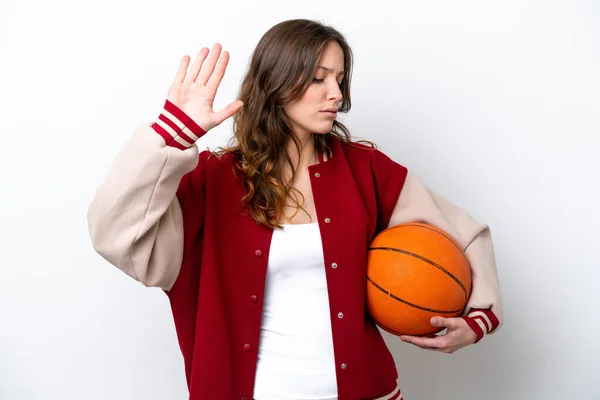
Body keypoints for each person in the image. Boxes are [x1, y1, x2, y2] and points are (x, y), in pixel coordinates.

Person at [87, 18, 502, 400]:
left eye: (340, 79)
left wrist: (477, 319)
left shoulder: (367, 170)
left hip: (368, 391)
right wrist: (171, 137)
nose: (336, 94)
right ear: (276, 82)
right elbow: (115, 234)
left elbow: (463, 234)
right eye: (319, 78)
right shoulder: (211, 181)